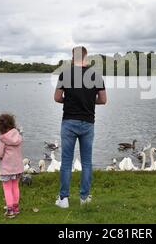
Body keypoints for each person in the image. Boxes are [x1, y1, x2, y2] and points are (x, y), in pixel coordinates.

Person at [54, 46, 107, 208]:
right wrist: (91, 102)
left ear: (73, 56)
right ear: (85, 56)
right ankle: (84, 198)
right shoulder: (95, 75)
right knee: (86, 162)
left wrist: (68, 101)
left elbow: (57, 98)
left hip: (69, 122)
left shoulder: (65, 74)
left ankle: (64, 199)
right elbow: (103, 100)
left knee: (66, 162)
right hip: (88, 123)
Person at [0, 113, 24, 218]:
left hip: (7, 169)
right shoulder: (18, 136)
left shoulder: (2, 139)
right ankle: (16, 208)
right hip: (17, 167)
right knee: (15, 186)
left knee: (7, 188)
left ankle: (10, 210)